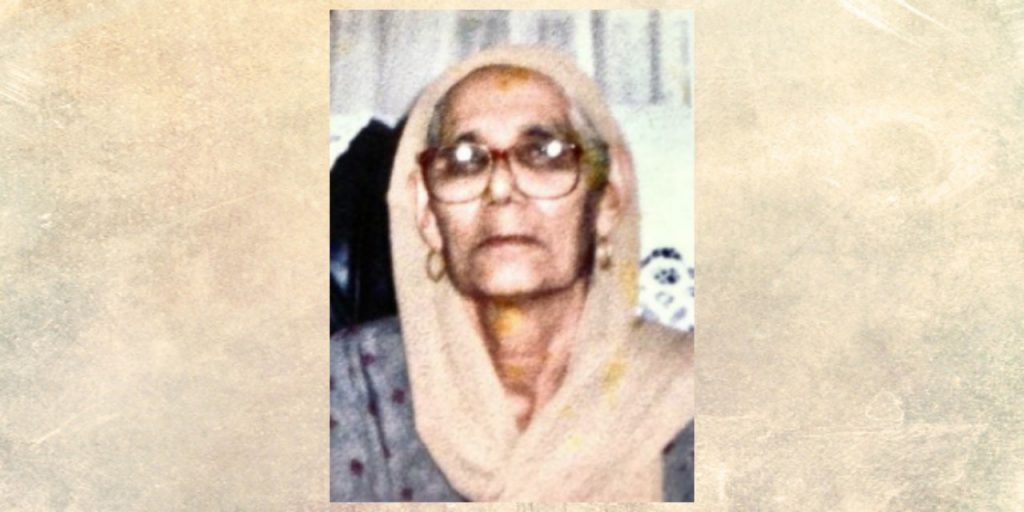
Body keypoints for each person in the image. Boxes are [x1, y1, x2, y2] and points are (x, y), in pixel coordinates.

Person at [330, 46, 694, 502]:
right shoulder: (350, 391)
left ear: (607, 199)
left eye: (544, 152)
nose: (500, 188)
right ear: (426, 211)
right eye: (464, 160)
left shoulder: (694, 397)